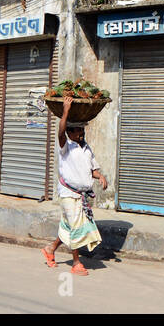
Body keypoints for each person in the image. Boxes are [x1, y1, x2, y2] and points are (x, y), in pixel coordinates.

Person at [42, 95, 109, 275]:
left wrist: (100, 176)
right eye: (78, 130)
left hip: (80, 195)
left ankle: (50, 249)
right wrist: (65, 112)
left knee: (69, 226)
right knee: (77, 227)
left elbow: (91, 169)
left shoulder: (86, 148)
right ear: (70, 133)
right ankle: (76, 263)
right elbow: (60, 132)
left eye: (82, 130)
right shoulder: (66, 146)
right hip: (68, 194)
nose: (81, 133)